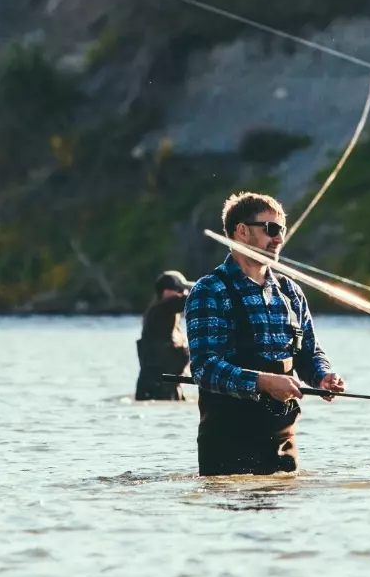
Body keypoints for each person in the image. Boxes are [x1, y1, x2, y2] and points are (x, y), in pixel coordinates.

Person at [185, 192, 345, 476]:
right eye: (270, 229)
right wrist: (264, 382)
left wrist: (323, 376)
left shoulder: (290, 291)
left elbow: (309, 352)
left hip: (283, 445)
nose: (279, 239)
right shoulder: (209, 290)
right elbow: (205, 368)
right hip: (227, 447)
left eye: (281, 230)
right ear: (242, 231)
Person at [135, 270, 193, 401]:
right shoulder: (163, 309)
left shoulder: (160, 312)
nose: (183, 293)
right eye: (179, 290)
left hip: (159, 385)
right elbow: (194, 299)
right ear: (166, 291)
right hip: (158, 386)